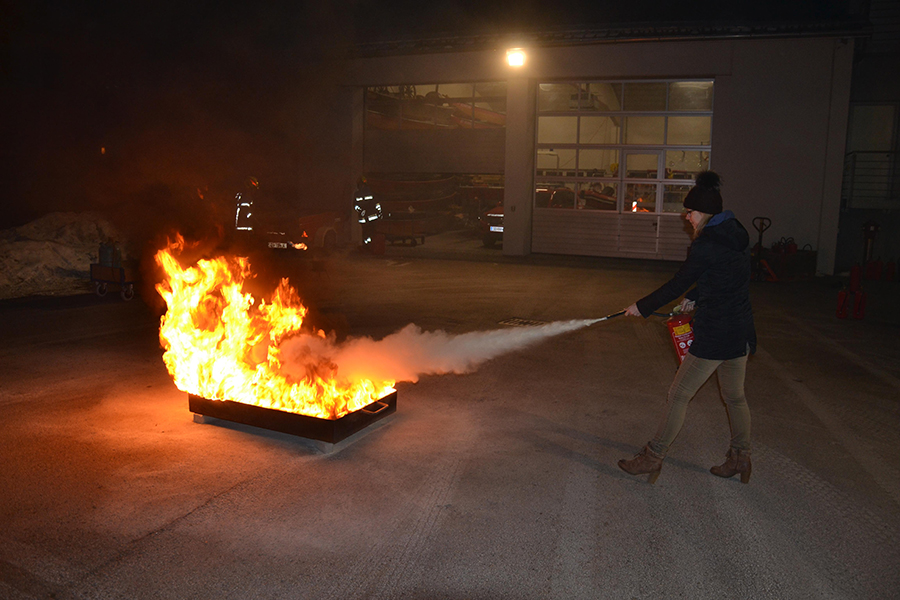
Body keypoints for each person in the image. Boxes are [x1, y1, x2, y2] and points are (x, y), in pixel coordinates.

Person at [618, 171, 757, 484]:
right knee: (735, 397)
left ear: (704, 213)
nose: (687, 216)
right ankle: (740, 457)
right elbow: (721, 277)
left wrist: (641, 306)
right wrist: (694, 298)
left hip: (716, 333)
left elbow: (678, 281)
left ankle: (652, 457)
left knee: (678, 394)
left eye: (690, 212)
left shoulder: (705, 244)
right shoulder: (735, 233)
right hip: (740, 329)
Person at [353, 175, 382, 249]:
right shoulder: (372, 192)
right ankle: (372, 246)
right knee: (372, 232)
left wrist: (361, 211)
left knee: (366, 233)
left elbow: (355, 206)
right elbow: (377, 204)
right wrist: (379, 213)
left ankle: (367, 246)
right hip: (372, 217)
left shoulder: (357, 194)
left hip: (364, 218)